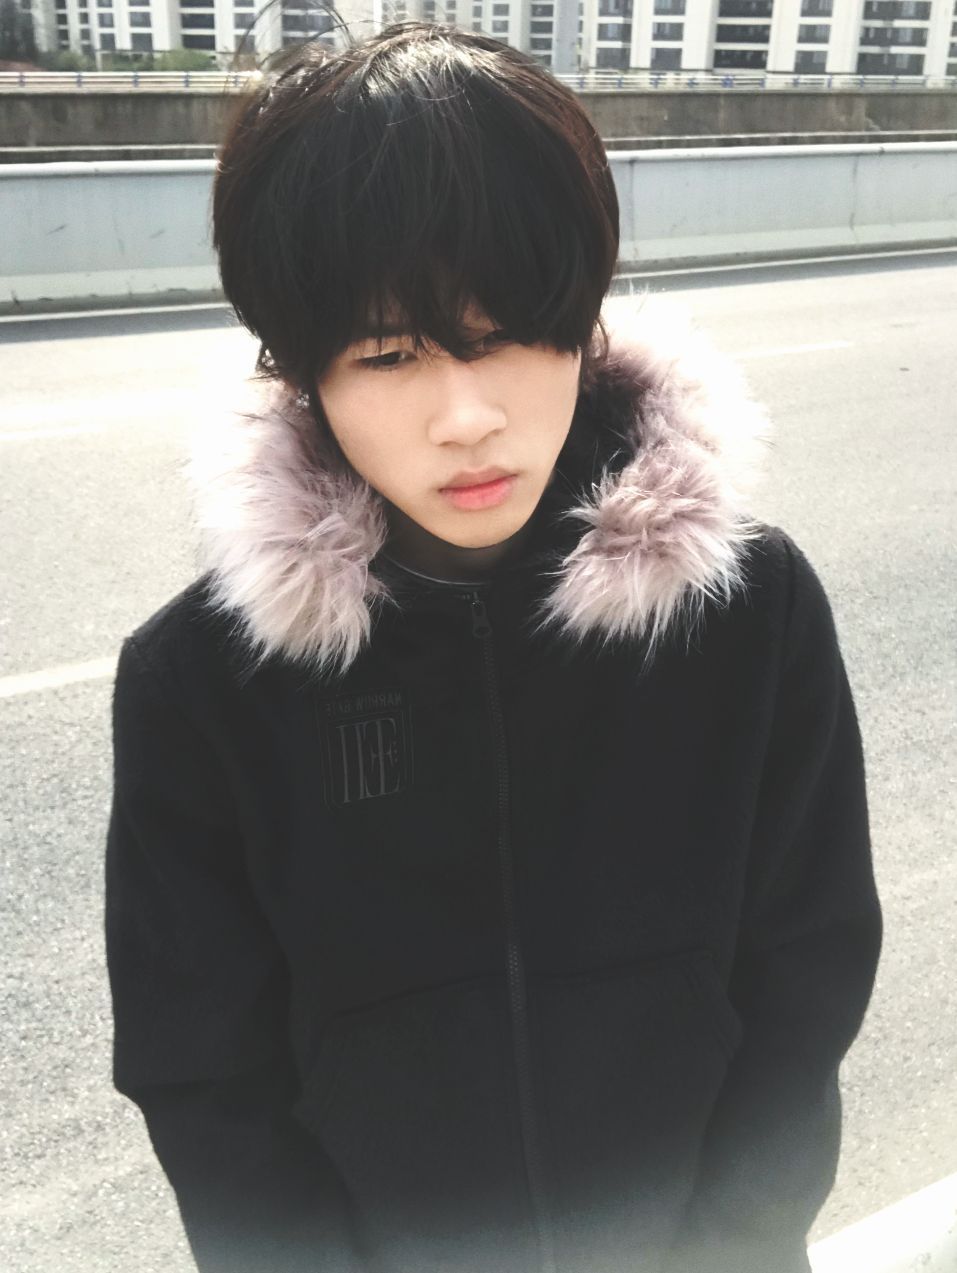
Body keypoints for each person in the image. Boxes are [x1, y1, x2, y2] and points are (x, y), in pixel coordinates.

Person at [104, 20, 882, 1273]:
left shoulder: (747, 610)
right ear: (300, 370)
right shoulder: (203, 684)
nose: (466, 416)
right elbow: (204, 1073)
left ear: (584, 319)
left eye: (510, 331)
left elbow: (809, 971)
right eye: (388, 352)